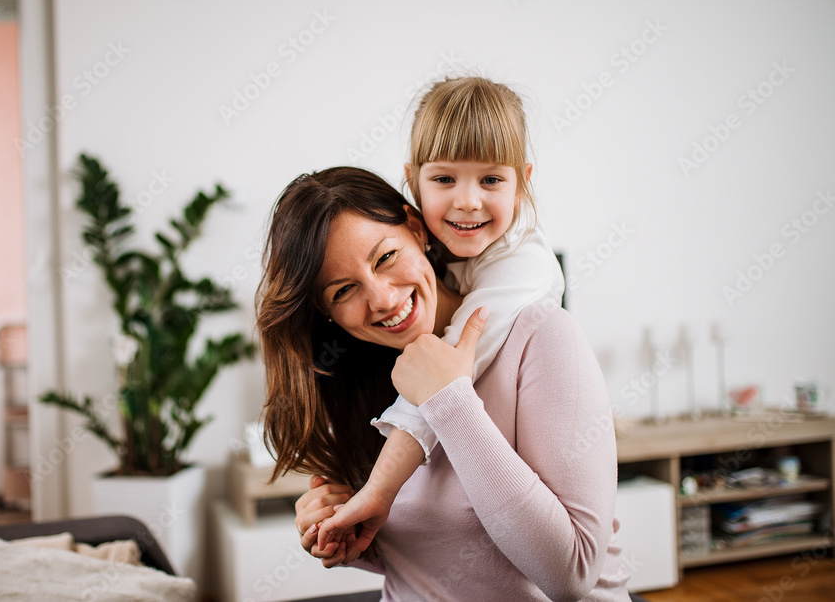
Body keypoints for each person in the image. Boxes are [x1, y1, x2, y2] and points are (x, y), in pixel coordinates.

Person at [256, 166, 631, 600]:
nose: (382, 298)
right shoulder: (357, 381)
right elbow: (435, 555)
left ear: (415, 228)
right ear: (328, 314)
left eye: (385, 258)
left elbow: (570, 575)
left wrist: (450, 403)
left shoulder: (542, 335)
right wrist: (346, 532)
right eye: (343, 291)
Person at [317, 76, 566, 555]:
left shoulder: (524, 268)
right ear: (413, 183)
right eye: (445, 179)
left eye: (491, 179)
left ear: (523, 182)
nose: (468, 201)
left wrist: (379, 491)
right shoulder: (444, 259)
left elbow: (442, 374)